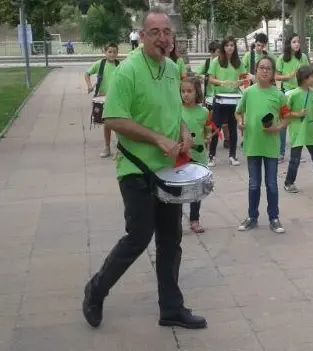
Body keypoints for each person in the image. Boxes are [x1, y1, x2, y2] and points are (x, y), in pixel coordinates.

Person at [82, 9, 207, 330]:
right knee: (138, 237)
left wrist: (180, 130)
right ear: (141, 35)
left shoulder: (170, 69)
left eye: (168, 32)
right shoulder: (128, 71)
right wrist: (155, 139)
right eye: (155, 32)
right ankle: (95, 290)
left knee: (170, 241)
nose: (163, 39)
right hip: (135, 169)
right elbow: (112, 118)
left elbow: (173, 109)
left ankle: (171, 309)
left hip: (167, 171)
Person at [235, 56, 295, 233]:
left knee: (271, 184)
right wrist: (240, 122)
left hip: (271, 146)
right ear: (256, 70)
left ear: (273, 73)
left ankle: (274, 217)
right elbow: (238, 112)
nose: (264, 71)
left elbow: (286, 118)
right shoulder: (248, 92)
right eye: (261, 67)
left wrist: (277, 128)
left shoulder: (278, 95)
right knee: (254, 184)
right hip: (252, 145)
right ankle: (252, 217)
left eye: (268, 68)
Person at [283, 66, 313, 197]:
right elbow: (284, 113)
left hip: (311, 131)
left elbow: (311, 110)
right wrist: (297, 113)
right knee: (295, 160)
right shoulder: (292, 94)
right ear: (304, 79)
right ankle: (289, 182)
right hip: (298, 132)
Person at [181, 77, 215, 233]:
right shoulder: (177, 110)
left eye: (189, 91)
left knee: (196, 190)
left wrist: (208, 136)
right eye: (183, 91)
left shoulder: (204, 112)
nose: (185, 95)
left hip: (199, 156)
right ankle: (175, 220)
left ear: (197, 92)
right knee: (179, 189)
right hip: (181, 156)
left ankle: (195, 219)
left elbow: (208, 127)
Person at [207, 36, 246, 167]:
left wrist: (240, 81)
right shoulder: (216, 61)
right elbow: (211, 79)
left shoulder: (238, 62)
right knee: (216, 126)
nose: (230, 47)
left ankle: (232, 156)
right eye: (227, 45)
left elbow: (244, 77)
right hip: (219, 97)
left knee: (233, 127)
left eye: (232, 45)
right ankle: (211, 156)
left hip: (234, 99)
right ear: (223, 47)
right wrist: (222, 82)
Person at [276, 33, 311, 163]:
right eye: (294, 42)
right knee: (284, 124)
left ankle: (297, 153)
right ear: (289, 44)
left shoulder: (303, 57)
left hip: (300, 93)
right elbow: (277, 76)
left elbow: (309, 73)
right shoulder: (281, 59)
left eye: (298, 42)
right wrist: (289, 75)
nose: (297, 44)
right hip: (287, 93)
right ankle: (280, 153)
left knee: (297, 125)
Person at [84, 43, 120, 158]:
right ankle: (107, 147)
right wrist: (89, 85)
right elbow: (87, 73)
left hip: (117, 98)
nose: (112, 54)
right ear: (105, 53)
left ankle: (121, 149)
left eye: (114, 52)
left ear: (117, 53)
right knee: (107, 124)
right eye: (110, 52)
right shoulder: (100, 64)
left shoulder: (120, 65)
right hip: (103, 97)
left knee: (120, 125)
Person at [195, 41, 231, 149]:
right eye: (218, 51)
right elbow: (197, 74)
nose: (220, 54)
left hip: (221, 94)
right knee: (209, 120)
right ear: (211, 52)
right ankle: (208, 139)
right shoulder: (206, 63)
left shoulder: (223, 62)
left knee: (225, 121)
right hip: (209, 96)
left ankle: (227, 139)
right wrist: (206, 78)